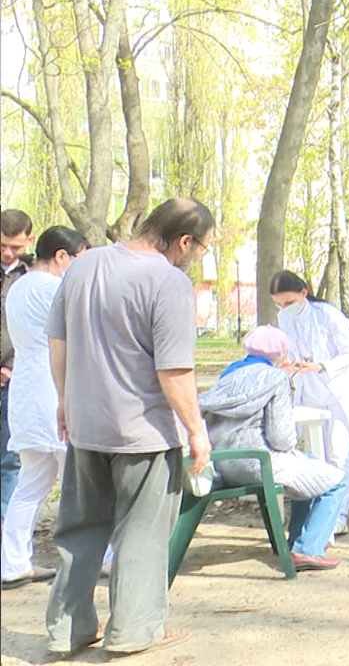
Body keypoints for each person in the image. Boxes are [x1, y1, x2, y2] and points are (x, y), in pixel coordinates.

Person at [44, 198, 213, 656]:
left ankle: (67, 629)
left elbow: (57, 341)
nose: (197, 258)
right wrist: (197, 430)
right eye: (200, 248)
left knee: (79, 530)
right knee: (141, 532)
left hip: (85, 424)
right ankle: (134, 631)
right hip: (144, 433)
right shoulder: (169, 281)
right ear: (183, 241)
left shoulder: (84, 264)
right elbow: (174, 372)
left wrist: (65, 400)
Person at [198, 325, 345, 570]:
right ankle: (308, 548)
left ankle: (297, 541)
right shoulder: (276, 378)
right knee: (334, 480)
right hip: (259, 462)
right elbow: (282, 439)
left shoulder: (228, 375)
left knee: (310, 466)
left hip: (224, 461)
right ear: (280, 354)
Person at [1, 227, 87, 589]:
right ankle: (97, 556)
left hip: (25, 385)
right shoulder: (54, 287)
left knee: (31, 482)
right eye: (78, 259)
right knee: (81, 481)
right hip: (53, 386)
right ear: (62, 256)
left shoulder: (18, 287)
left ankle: (13, 562)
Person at [269, 270, 349, 536]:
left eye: (288, 303)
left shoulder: (329, 315)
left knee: (338, 452)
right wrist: (289, 364)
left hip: (340, 388)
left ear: (303, 293)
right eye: (279, 304)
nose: (284, 309)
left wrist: (322, 365)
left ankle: (339, 515)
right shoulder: (283, 319)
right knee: (313, 449)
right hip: (309, 387)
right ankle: (319, 506)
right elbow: (291, 349)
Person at [1, 209, 35, 523]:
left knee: (11, 459)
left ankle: (6, 532)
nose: (9, 253)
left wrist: (10, 366)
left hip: (15, 377)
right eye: (2, 246)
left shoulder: (34, 275)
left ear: (29, 240)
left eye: (15, 247)